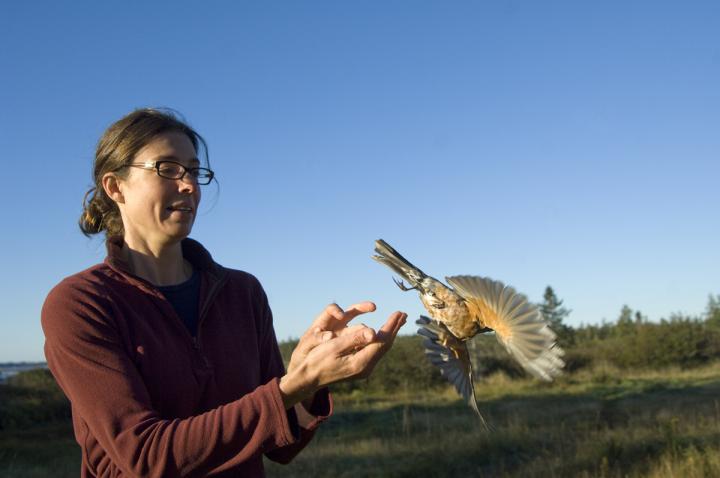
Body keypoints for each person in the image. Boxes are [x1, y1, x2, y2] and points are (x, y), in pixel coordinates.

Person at [41, 108, 407, 478]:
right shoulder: (80, 304)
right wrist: (292, 387)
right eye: (167, 168)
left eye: (194, 171)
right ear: (115, 187)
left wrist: (310, 379)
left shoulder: (241, 293)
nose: (189, 185)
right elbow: (145, 457)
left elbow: (279, 446)